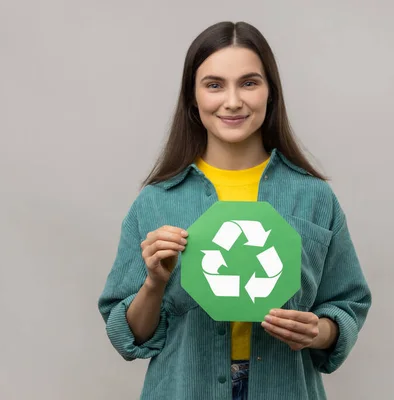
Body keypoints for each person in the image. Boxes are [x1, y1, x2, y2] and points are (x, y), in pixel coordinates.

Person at [98, 21, 372, 400]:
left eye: (248, 82)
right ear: (193, 98)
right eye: (214, 85)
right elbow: (129, 335)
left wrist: (320, 331)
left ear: (270, 92)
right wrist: (154, 283)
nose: (232, 101)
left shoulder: (314, 198)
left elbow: (348, 302)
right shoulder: (156, 202)